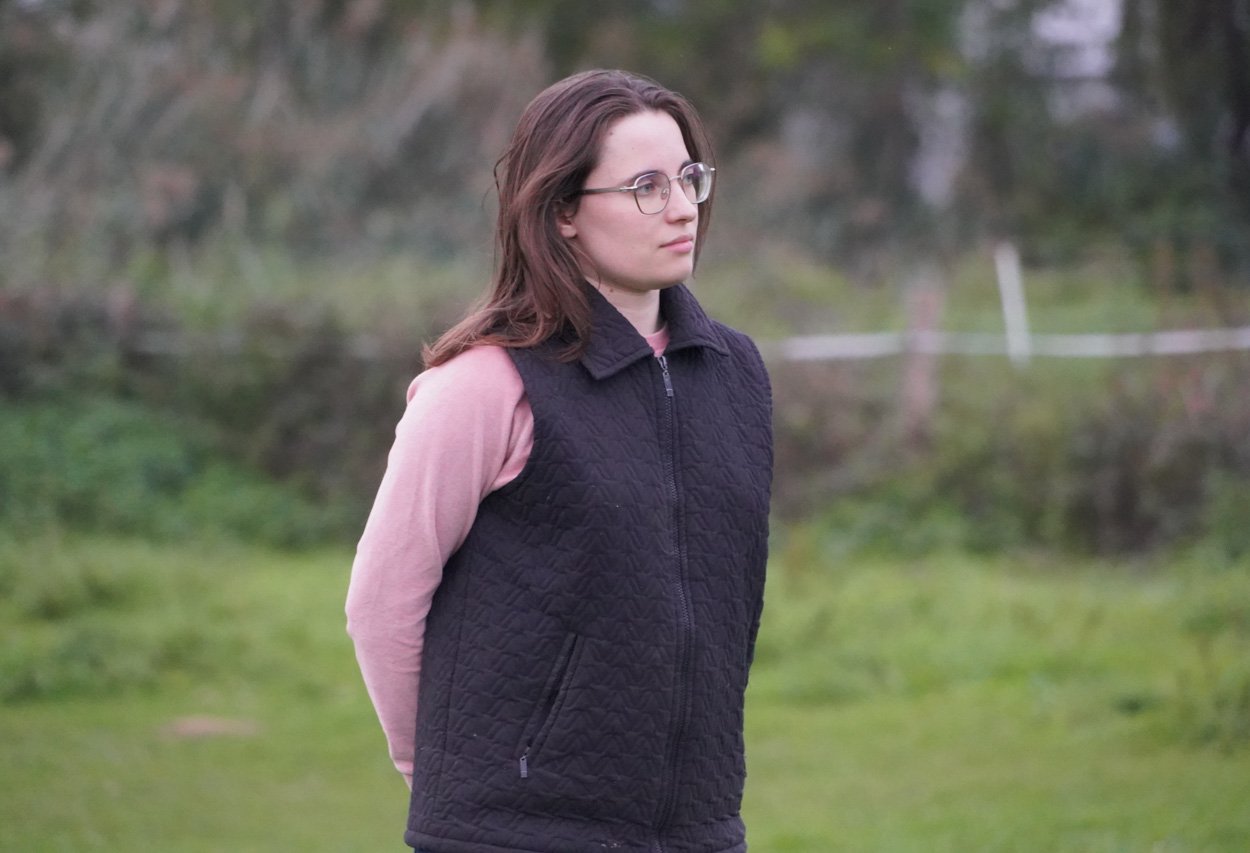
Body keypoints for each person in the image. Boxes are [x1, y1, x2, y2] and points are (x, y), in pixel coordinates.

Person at [345, 68, 773, 853]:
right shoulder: (483, 385)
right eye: (645, 186)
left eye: (688, 177)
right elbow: (383, 600)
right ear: (563, 210)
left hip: (700, 827)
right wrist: (441, 771)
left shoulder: (735, 372)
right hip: (514, 830)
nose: (683, 207)